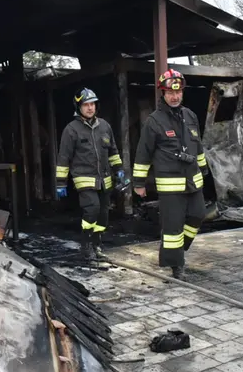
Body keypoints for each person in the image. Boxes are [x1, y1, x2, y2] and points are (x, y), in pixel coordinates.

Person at [132, 69, 209, 280]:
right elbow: (143, 153)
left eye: (178, 92)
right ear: (163, 94)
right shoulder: (154, 122)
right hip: (170, 185)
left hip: (193, 181)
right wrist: (139, 183)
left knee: (198, 215)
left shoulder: (190, 116)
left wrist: (204, 168)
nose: (175, 97)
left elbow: (198, 146)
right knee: (173, 227)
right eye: (170, 93)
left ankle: (175, 252)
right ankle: (177, 266)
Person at [55, 88, 125, 259]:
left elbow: (113, 151)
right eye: (86, 104)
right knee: (92, 209)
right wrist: (60, 183)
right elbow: (63, 158)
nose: (90, 108)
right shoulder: (71, 129)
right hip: (84, 178)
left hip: (105, 179)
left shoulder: (105, 126)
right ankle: (85, 245)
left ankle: (96, 244)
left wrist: (120, 170)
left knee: (103, 214)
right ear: (78, 107)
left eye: (92, 104)